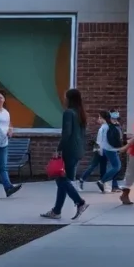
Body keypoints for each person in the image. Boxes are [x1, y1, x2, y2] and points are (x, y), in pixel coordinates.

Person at [41, 88, 90, 220]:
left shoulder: (68, 113)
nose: (64, 99)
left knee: (61, 179)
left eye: (65, 97)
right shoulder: (80, 113)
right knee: (64, 179)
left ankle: (80, 202)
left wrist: (59, 149)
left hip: (69, 150)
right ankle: (56, 211)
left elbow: (66, 133)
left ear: (69, 99)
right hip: (78, 150)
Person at [78, 111, 106, 191]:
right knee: (94, 165)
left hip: (100, 149)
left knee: (101, 167)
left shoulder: (103, 127)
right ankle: (82, 179)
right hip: (100, 149)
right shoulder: (103, 128)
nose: (98, 119)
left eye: (100, 117)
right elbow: (100, 141)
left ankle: (102, 184)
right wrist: (99, 150)